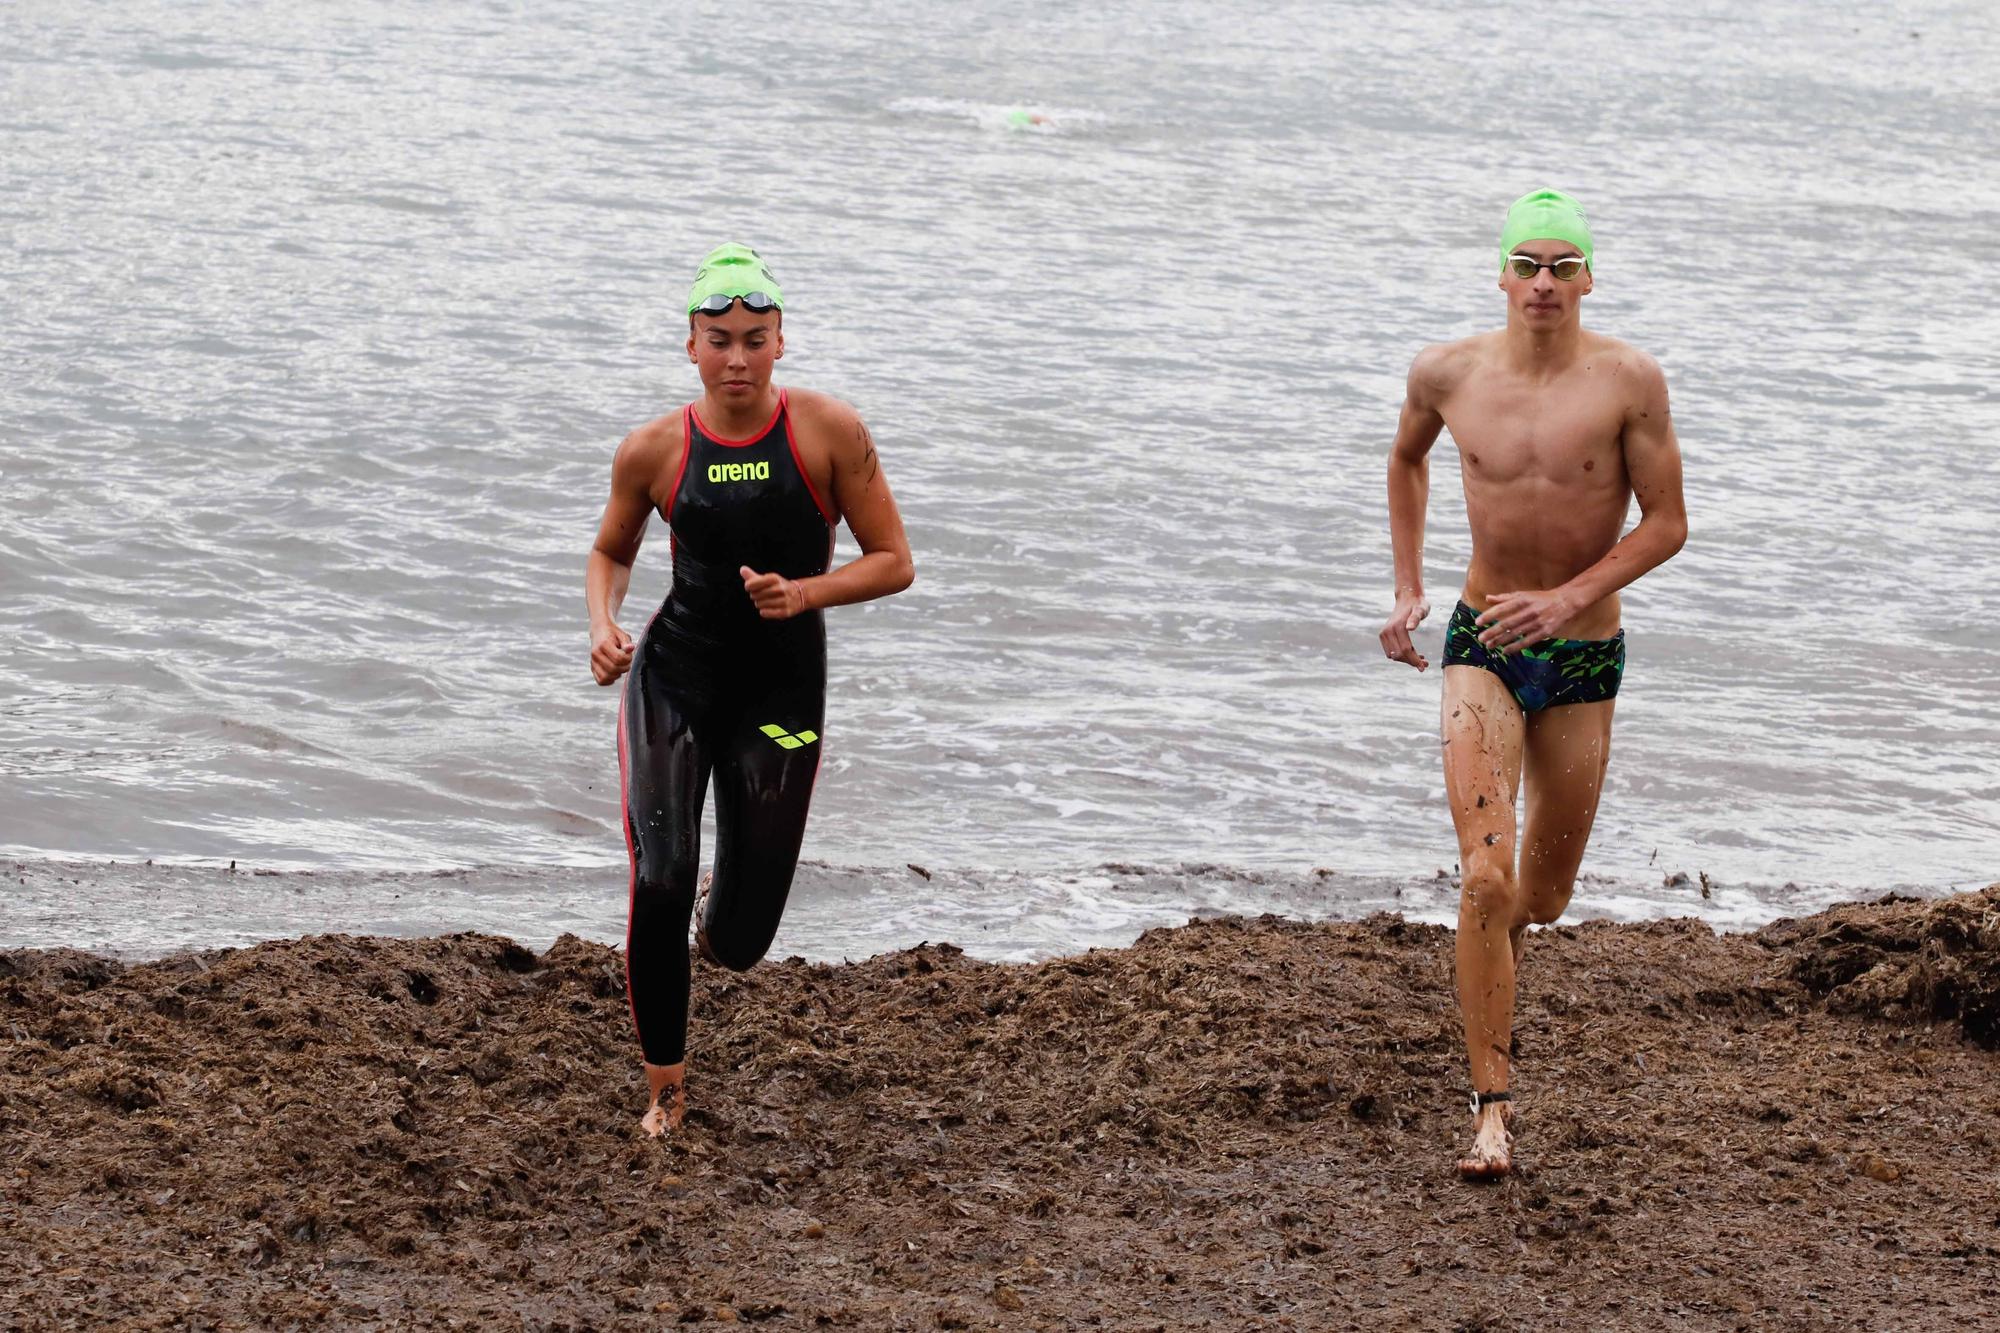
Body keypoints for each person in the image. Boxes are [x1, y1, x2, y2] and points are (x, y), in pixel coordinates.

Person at [1377, 190, 1688, 1178]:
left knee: (1539, 897)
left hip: (1584, 654)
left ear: (1588, 277)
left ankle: (1483, 957)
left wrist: (1567, 600)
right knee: (1483, 876)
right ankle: (1489, 1118)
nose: (1543, 282)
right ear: (1500, 275)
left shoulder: (1627, 381)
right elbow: (1404, 459)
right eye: (1527, 263)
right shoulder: (1444, 372)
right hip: (1481, 642)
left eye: (1562, 265)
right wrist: (1407, 585)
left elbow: (1665, 522)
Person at [585, 244, 914, 1136]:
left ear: (781, 343)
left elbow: (896, 562)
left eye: (755, 339)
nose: (737, 358)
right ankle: (667, 1091)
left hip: (781, 690)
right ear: (689, 344)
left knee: (741, 939)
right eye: (719, 339)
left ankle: (716, 927)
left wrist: (803, 592)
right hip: (675, 679)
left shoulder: (827, 432)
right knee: (659, 874)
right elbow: (612, 553)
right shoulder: (654, 448)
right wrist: (604, 627)